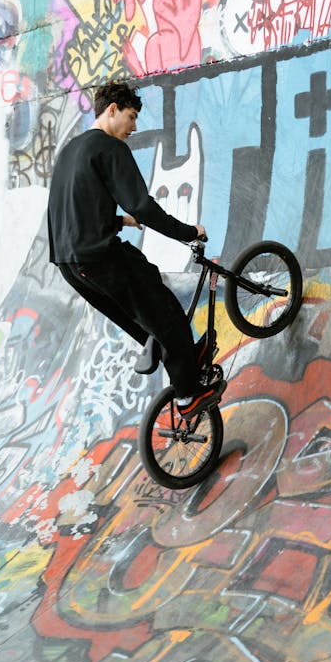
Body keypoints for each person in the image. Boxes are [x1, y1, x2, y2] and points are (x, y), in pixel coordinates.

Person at [48, 80, 223, 419]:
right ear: (111, 111)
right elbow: (142, 205)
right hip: (99, 259)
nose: (134, 127)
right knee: (167, 315)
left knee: (146, 313)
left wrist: (117, 222)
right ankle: (188, 396)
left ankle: (183, 354)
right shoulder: (110, 149)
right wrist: (188, 233)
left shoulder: (72, 150)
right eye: (130, 117)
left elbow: (71, 209)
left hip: (70, 265)